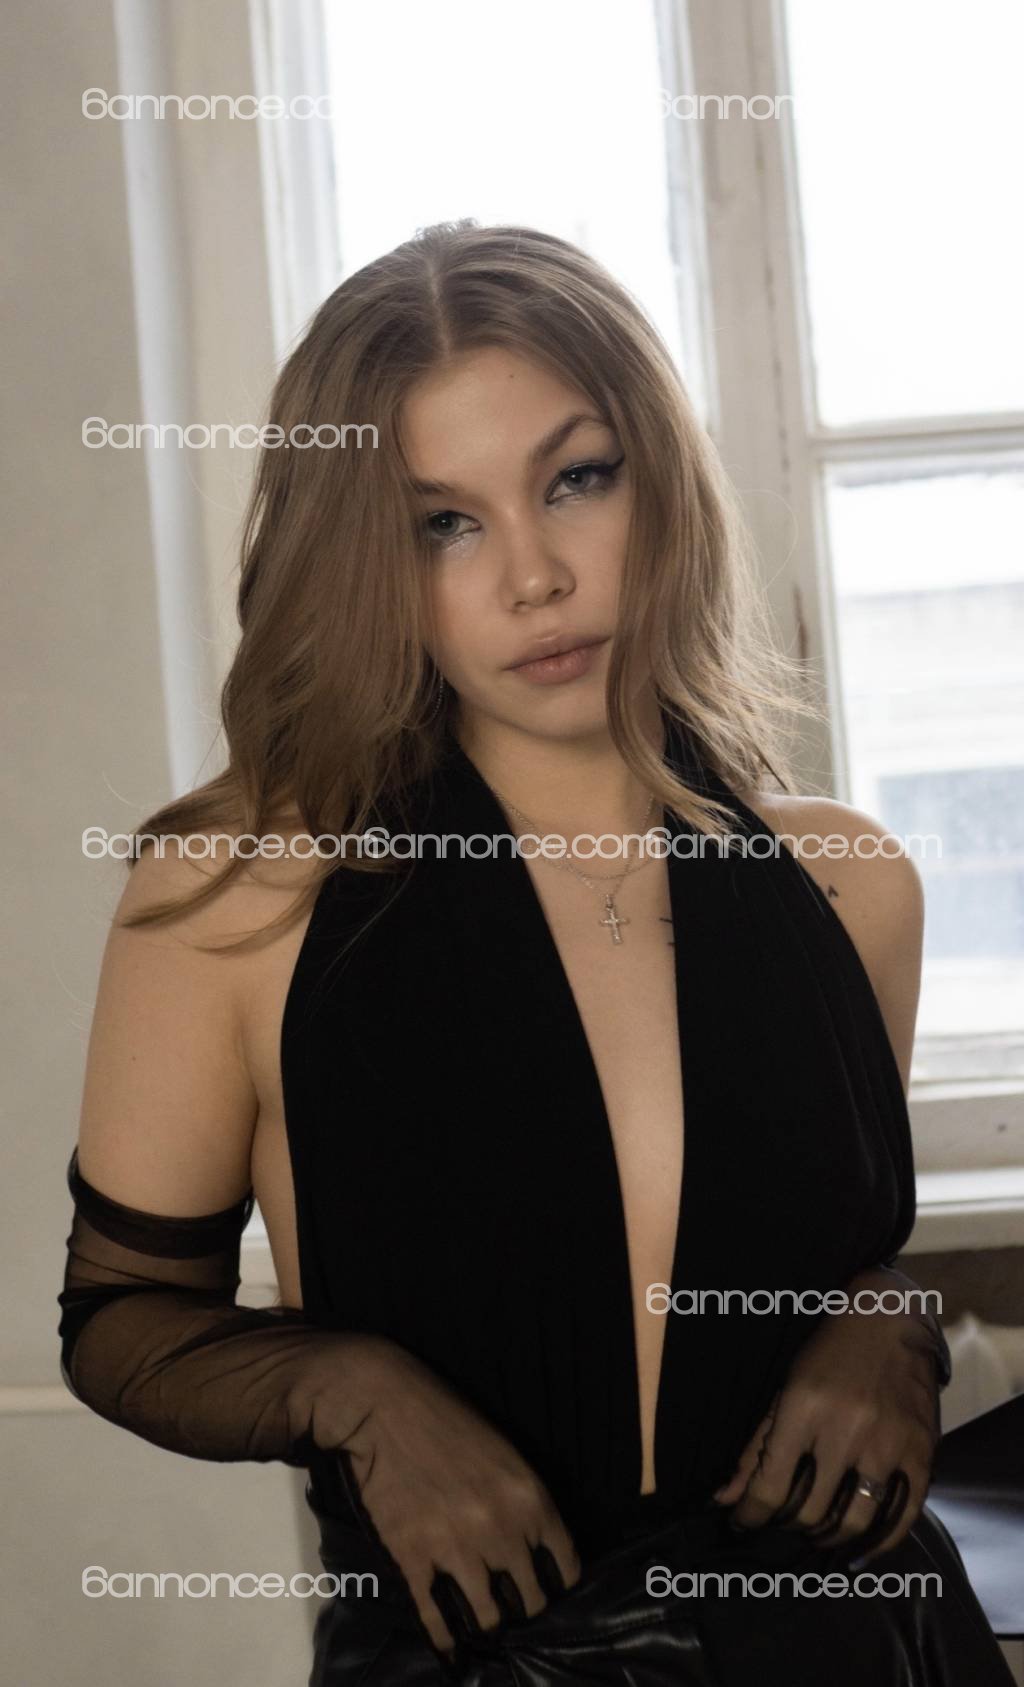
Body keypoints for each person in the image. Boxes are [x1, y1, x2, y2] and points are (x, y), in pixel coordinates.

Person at [57, 222, 1013, 1684]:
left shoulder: (849, 884)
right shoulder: (238, 896)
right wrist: (355, 1393)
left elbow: (807, 1246)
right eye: (443, 523)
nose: (535, 577)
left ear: (660, 481)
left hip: (864, 1647)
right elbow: (121, 1320)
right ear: (366, 563)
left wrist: (891, 1320)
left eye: (577, 479)